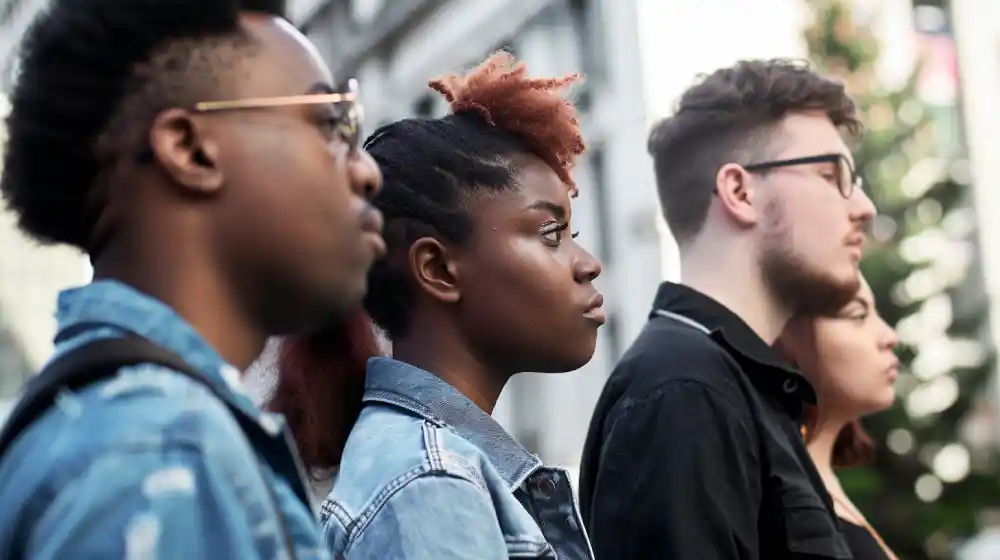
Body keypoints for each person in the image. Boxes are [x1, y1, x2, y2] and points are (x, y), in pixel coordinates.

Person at [0, 0, 383, 557]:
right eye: (331, 122)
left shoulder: (106, 422)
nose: (366, 170)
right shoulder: (165, 449)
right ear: (189, 149)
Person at [269, 51, 602, 559]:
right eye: (551, 233)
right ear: (439, 270)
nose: (588, 264)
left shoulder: (434, 468)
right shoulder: (431, 483)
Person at [578, 59, 877, 559]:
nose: (862, 206)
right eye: (831, 174)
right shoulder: (683, 390)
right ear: (741, 192)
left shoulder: (733, 387)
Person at [776, 275, 901, 560]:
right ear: (784, 335)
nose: (890, 337)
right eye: (858, 315)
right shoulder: (778, 502)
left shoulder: (822, 483)